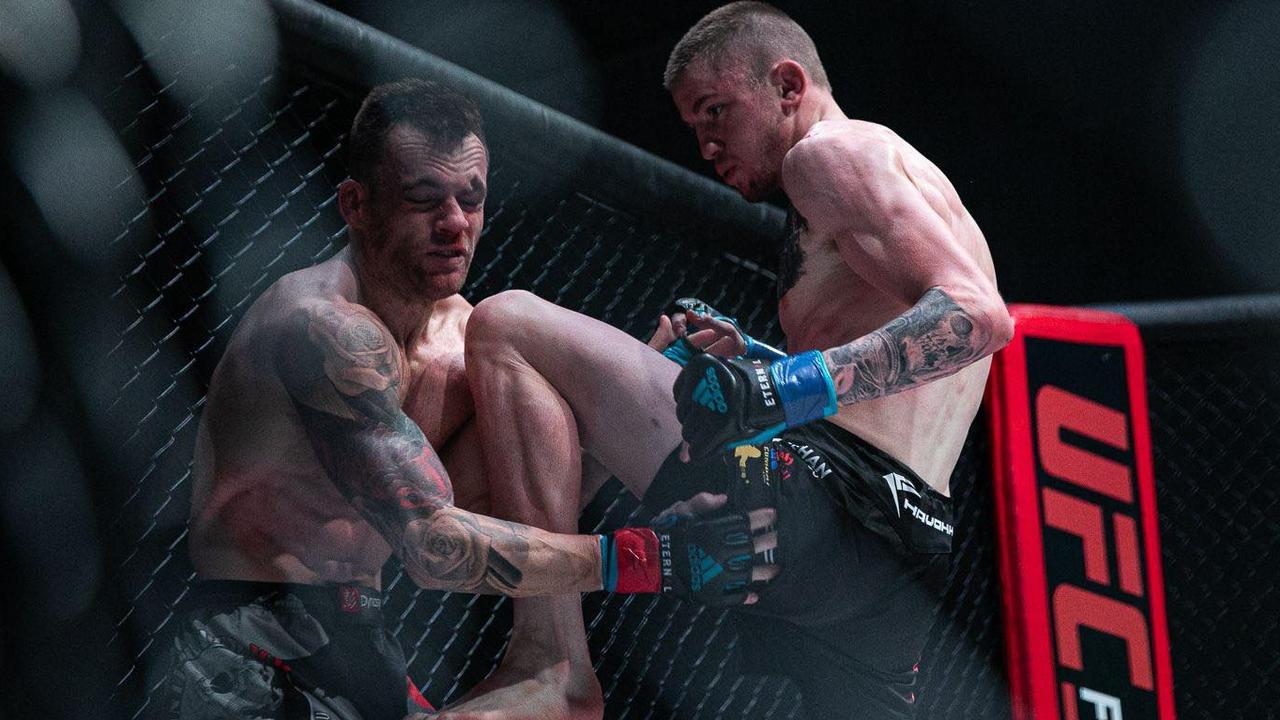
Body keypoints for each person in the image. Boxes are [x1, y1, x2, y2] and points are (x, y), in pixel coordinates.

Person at [447, 3, 1013, 718]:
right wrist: (762, 358)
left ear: (786, 84)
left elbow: (977, 318)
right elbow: (908, 366)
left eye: (715, 112)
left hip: (829, 497)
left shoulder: (828, 154)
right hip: (913, 549)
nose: (707, 145)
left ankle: (550, 666)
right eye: (694, 127)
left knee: (509, 324)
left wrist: (778, 384)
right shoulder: (916, 184)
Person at [163, 78, 775, 720]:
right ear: (355, 205)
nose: (454, 224)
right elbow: (434, 547)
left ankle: (555, 663)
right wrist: (656, 559)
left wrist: (659, 372)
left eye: (471, 199)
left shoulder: (469, 345)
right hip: (251, 642)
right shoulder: (320, 328)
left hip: (365, 639)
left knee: (518, 342)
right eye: (424, 199)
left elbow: (524, 504)